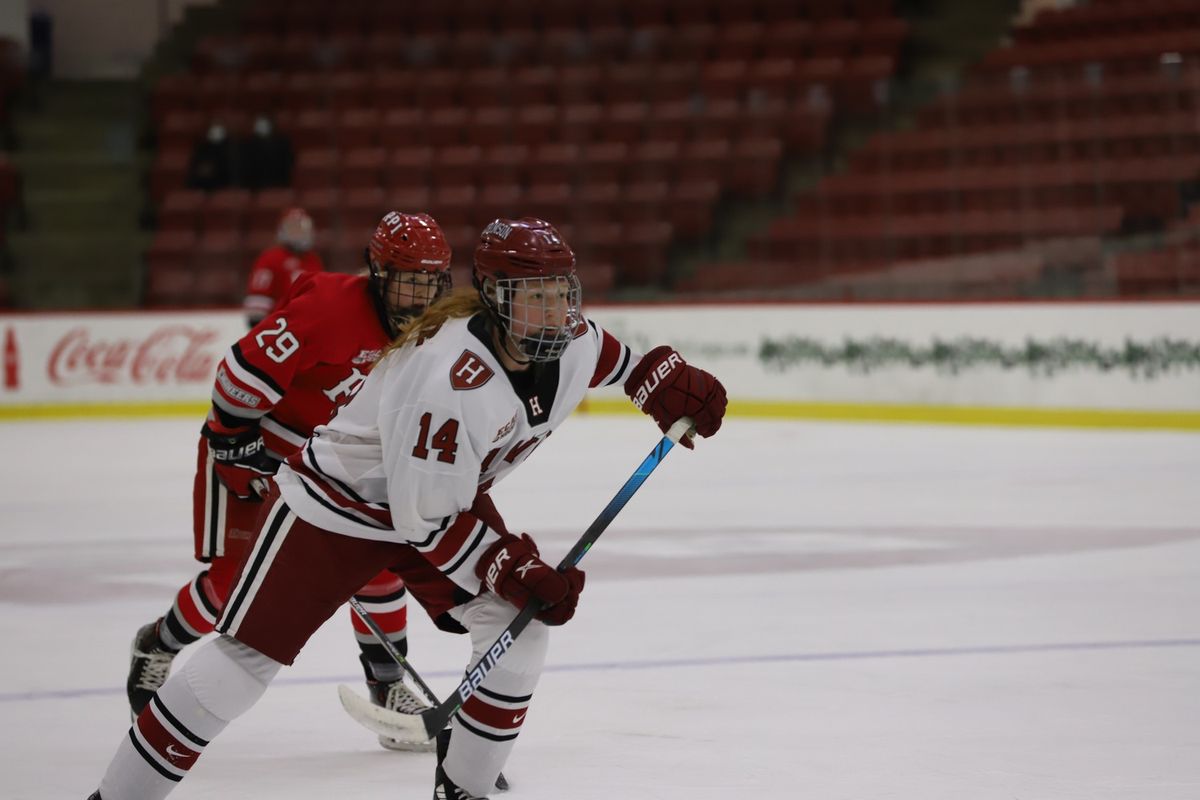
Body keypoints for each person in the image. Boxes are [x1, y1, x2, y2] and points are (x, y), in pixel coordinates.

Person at [89, 217, 727, 800]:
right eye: (537, 296)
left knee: (521, 626)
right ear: (497, 299)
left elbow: (615, 359)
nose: (557, 311)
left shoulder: (571, 340)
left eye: (563, 292)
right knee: (245, 661)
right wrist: (508, 564)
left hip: (435, 496)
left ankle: (462, 789)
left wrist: (659, 377)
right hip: (337, 510)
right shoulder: (452, 379)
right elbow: (425, 522)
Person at [124, 210, 454, 754]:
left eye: (429, 281)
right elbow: (239, 374)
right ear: (377, 271)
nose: (419, 297)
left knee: (375, 564)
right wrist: (234, 442)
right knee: (234, 586)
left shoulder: (436, 329)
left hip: (328, 463)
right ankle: (158, 643)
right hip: (256, 451)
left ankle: (388, 685)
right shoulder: (329, 308)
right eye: (407, 280)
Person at [243, 207, 324, 327]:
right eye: (293, 228)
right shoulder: (270, 258)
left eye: (302, 228)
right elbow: (257, 305)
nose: (299, 233)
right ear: (282, 230)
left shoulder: (314, 259)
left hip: (306, 327)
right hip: (278, 328)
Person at [237, 113, 293, 191]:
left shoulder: (283, 142)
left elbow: (288, 164)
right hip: (254, 186)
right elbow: (244, 167)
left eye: (265, 124)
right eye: (259, 124)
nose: (262, 126)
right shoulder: (246, 144)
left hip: (278, 184)